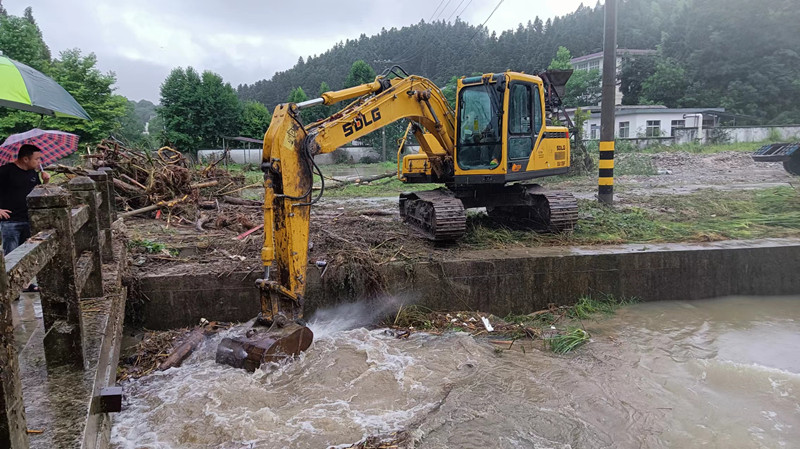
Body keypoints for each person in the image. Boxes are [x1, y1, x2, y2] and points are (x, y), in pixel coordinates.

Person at [0, 143, 50, 292]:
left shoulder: (33, 174)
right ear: (25, 159)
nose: (39, 162)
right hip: (10, 220)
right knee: (11, 255)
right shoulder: (5, 171)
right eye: (37, 159)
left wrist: (45, 182)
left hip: (28, 218)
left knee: (27, 254)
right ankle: (10, 288)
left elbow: (37, 193)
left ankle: (25, 284)